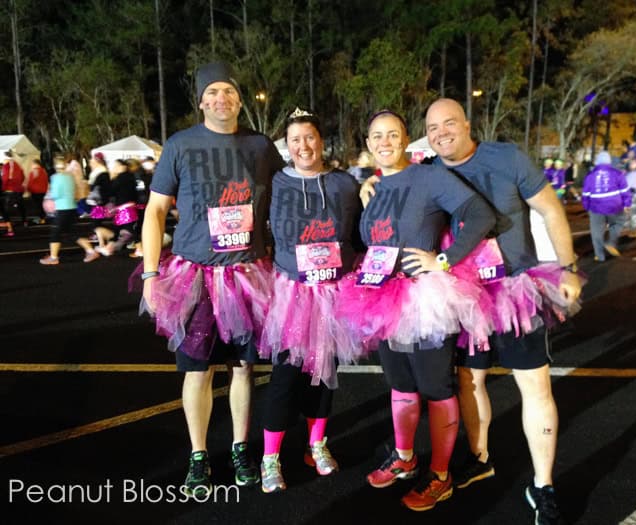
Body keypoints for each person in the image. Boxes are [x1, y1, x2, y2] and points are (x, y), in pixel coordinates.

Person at [361, 98, 582, 525]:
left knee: (534, 387)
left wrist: (569, 267)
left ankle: (543, 484)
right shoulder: (429, 168)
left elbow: (551, 209)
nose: (442, 132)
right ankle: (479, 457)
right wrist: (371, 183)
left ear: (467, 124)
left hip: (514, 287)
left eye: (450, 124)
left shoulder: (506, 156)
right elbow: (395, 174)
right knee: (468, 380)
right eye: (433, 127)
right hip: (462, 296)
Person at [137, 61, 285, 498]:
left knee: (243, 367)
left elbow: (290, 192)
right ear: (201, 100)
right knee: (197, 371)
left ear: (240, 99)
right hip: (196, 276)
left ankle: (241, 447)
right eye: (212, 92)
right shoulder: (180, 145)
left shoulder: (260, 147)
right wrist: (149, 272)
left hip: (247, 274)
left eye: (229, 91)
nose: (221, 98)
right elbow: (155, 212)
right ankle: (198, 455)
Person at [346, 109, 497, 512]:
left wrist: (444, 260)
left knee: (435, 388)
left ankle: (442, 476)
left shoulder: (428, 176)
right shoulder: (373, 188)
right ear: (368, 144)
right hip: (382, 296)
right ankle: (405, 457)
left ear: (406, 138)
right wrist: (368, 193)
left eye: (392, 134)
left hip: (424, 298)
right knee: (400, 385)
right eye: (376, 136)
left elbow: (480, 213)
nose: (384, 142)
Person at [257, 108, 362, 493]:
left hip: (335, 292)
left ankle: (316, 444)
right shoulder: (274, 184)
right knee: (285, 377)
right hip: (292, 292)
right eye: (295, 139)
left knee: (324, 376)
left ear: (321, 140)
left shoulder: (345, 184)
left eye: (310, 137)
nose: (303, 145)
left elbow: (361, 232)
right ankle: (270, 458)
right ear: (287, 145)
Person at [582, 151, 631, 262]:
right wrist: (627, 204)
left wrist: (586, 207)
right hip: (614, 206)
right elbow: (624, 191)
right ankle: (610, 242)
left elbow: (586, 194)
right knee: (619, 222)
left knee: (596, 231)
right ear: (609, 161)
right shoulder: (617, 173)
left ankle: (599, 256)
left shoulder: (590, 175)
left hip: (596, 207)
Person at [39, 156, 77, 265]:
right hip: (72, 207)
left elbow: (56, 194)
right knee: (72, 233)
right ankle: (90, 250)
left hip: (62, 208)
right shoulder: (70, 176)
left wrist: (49, 197)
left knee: (55, 233)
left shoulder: (55, 177)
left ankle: (53, 257)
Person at [2, 149, 27, 229]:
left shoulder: (6, 166)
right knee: (21, 206)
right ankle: (24, 221)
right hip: (19, 189)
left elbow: (5, 178)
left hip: (10, 189)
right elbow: (23, 176)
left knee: (5, 208)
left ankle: (9, 226)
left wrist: (3, 188)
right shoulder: (17, 164)